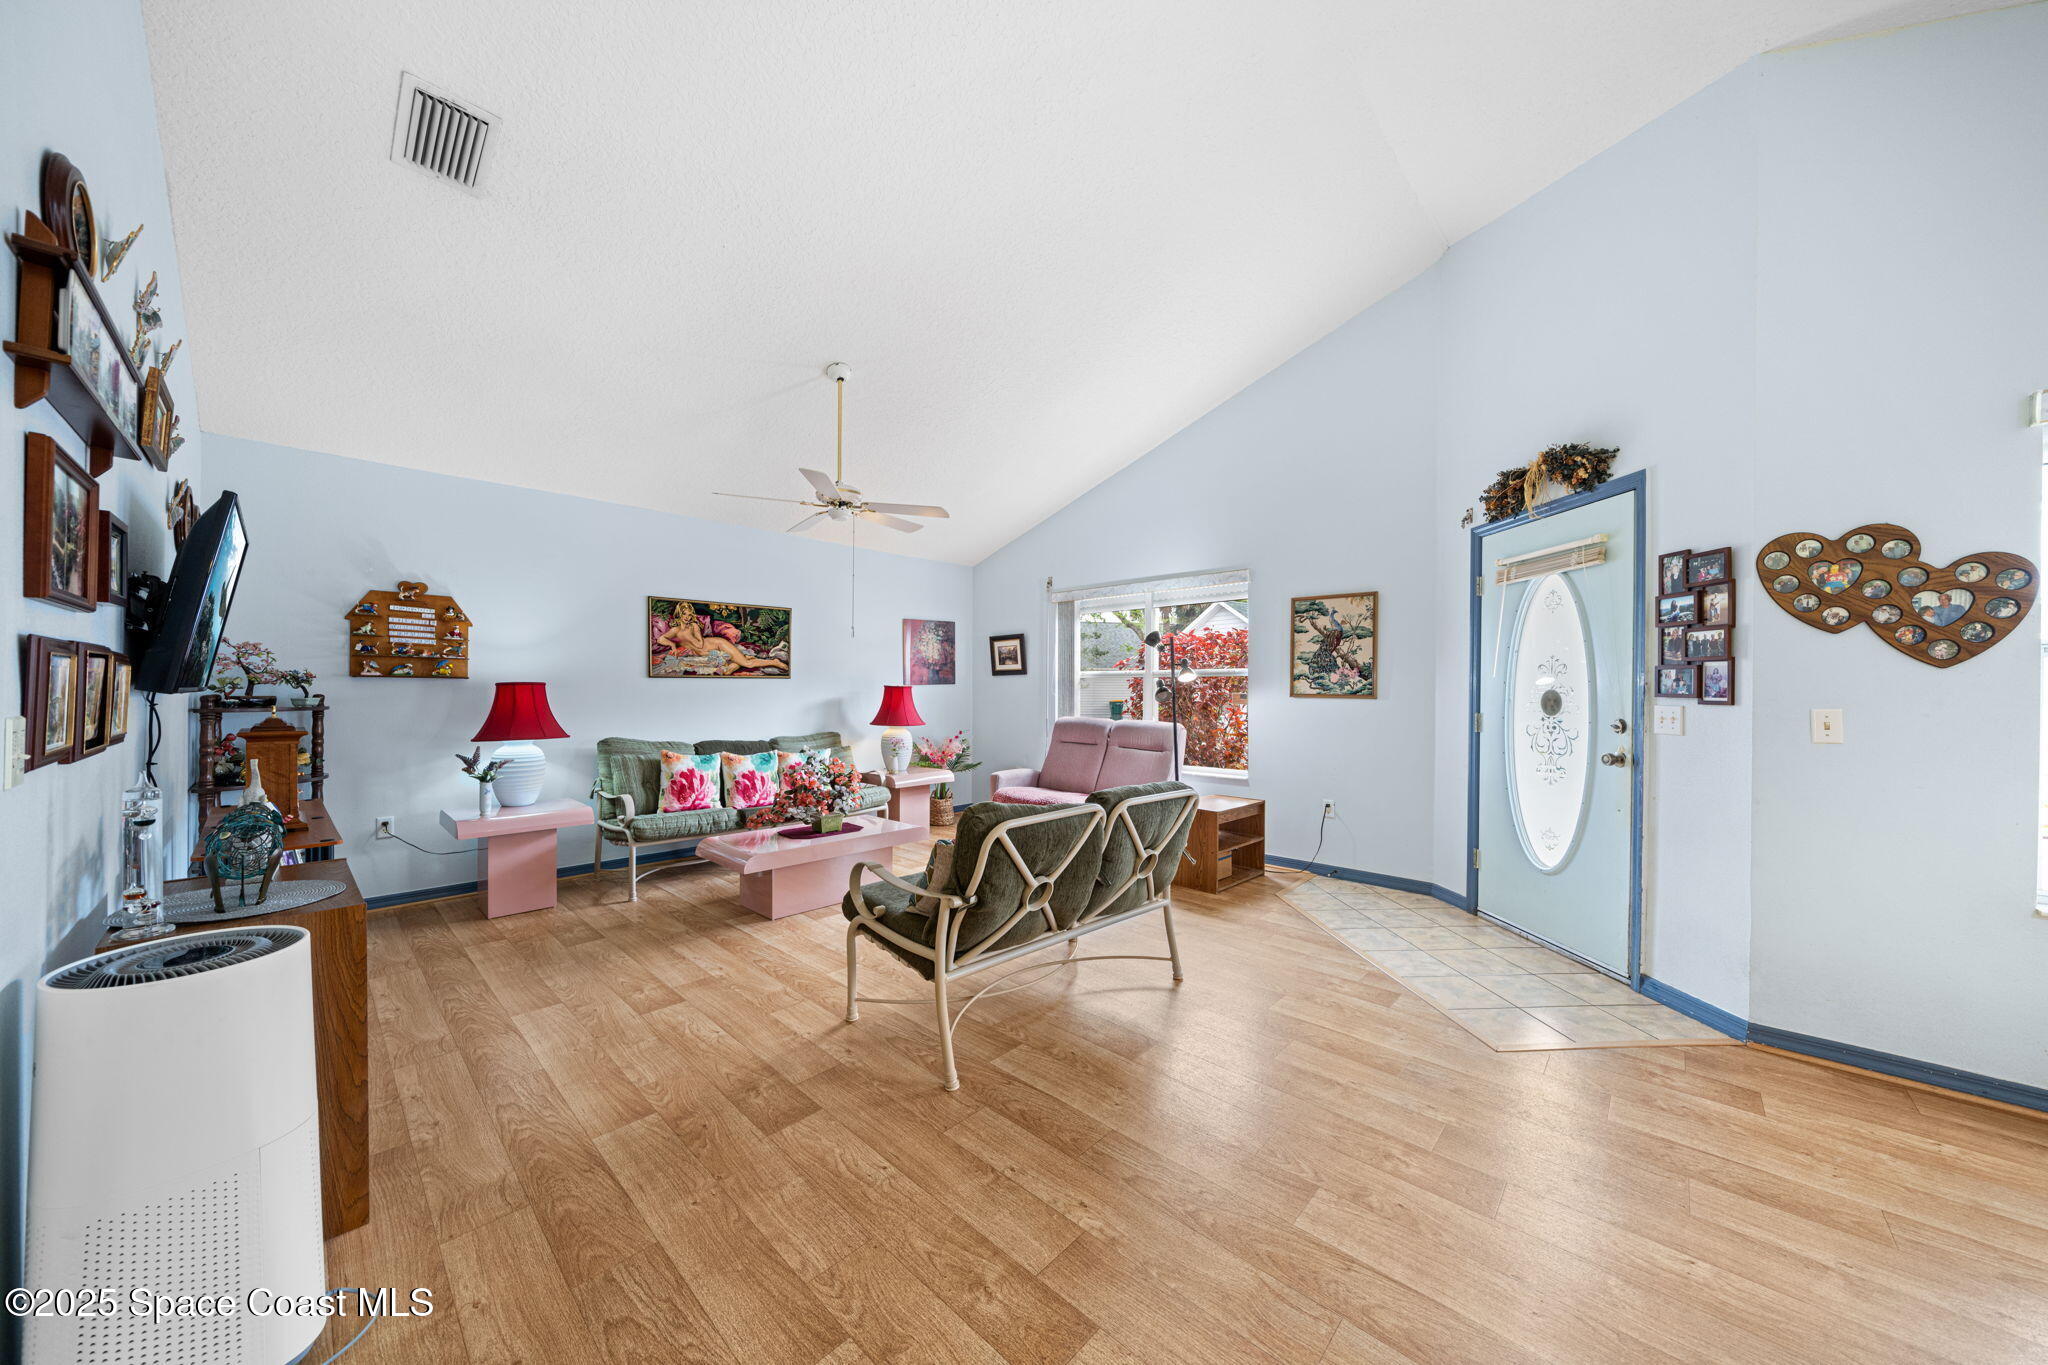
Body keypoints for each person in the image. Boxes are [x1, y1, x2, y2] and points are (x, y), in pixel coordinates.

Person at [655, 607, 787, 675]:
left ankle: (773, 662)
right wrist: (672, 645)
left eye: (690, 615)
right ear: (680, 614)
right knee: (729, 668)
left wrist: (690, 635)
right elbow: (661, 638)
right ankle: (738, 660)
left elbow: (700, 644)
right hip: (711, 654)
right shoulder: (676, 630)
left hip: (718, 645)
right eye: (685, 614)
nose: (688, 617)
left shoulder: (694, 626)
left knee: (747, 663)